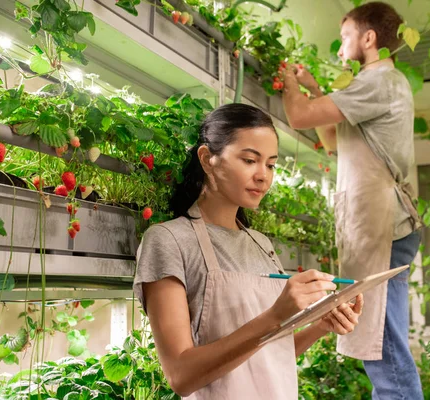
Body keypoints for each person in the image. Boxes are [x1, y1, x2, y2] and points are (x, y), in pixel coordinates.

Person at [133, 103, 364, 399]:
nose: (263, 176)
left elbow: (269, 357)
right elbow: (181, 375)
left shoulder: (260, 244)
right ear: (207, 159)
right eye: (250, 160)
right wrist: (276, 315)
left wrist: (321, 326)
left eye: (270, 165)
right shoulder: (168, 240)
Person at [282, 2, 423, 399]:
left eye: (346, 37)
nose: (341, 49)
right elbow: (331, 140)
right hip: (377, 225)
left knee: (381, 341)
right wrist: (311, 87)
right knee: (377, 339)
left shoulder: (380, 81)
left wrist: (288, 82)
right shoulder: (372, 85)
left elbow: (298, 117)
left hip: (383, 225)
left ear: (369, 38)